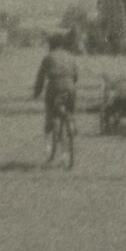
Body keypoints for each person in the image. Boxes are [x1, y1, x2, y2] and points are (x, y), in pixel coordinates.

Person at [32, 33, 81, 161]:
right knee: (70, 111)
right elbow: (76, 76)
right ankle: (72, 123)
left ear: (51, 44)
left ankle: (50, 125)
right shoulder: (71, 56)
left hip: (54, 87)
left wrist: (37, 92)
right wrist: (70, 83)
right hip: (70, 88)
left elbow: (40, 78)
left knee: (50, 111)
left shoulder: (47, 58)